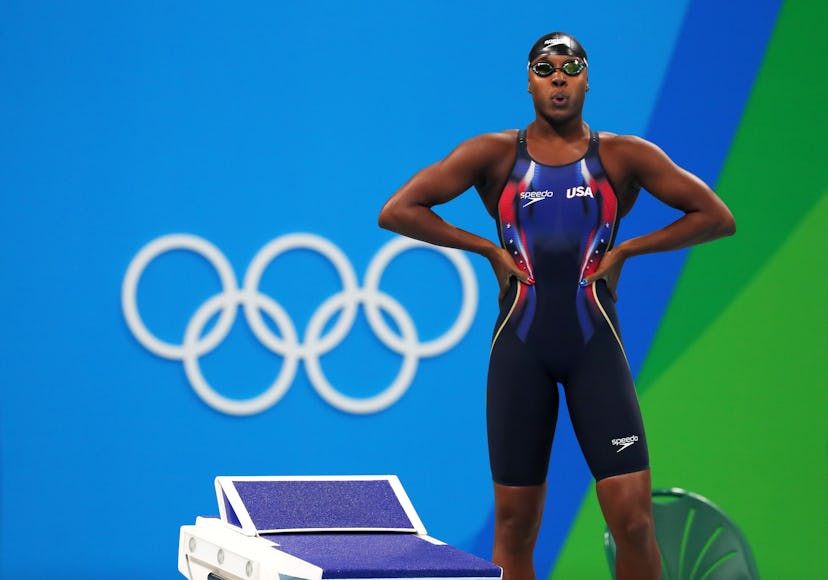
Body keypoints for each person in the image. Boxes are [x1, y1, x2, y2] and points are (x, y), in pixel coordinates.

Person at [378, 31, 735, 580]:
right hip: (521, 351)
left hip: (595, 348)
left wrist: (628, 251)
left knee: (635, 522)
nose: (559, 77)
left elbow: (715, 217)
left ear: (588, 79)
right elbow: (399, 209)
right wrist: (488, 250)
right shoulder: (494, 154)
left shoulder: (623, 155)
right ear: (529, 82)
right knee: (516, 528)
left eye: (571, 67)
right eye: (546, 68)